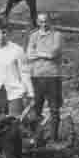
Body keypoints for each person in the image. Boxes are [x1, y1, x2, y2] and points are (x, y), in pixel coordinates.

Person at [0, 20, 34, 117]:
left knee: (15, 122)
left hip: (14, 91)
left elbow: (24, 73)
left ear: (8, 33)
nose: (1, 36)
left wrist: (30, 93)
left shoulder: (17, 50)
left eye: (4, 32)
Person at [26, 13, 63, 143]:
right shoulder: (33, 36)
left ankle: (54, 137)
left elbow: (53, 53)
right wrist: (43, 54)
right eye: (41, 22)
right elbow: (29, 55)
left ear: (50, 22)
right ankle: (37, 137)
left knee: (54, 108)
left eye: (46, 21)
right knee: (36, 108)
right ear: (37, 22)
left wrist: (38, 53)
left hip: (53, 76)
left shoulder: (57, 35)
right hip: (36, 76)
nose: (44, 24)